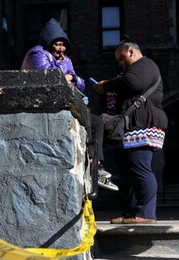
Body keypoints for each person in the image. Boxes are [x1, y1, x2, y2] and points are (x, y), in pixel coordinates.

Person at [21, 18, 118, 192]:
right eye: (58, 44)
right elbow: (48, 77)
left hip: (64, 104)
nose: (61, 49)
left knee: (96, 123)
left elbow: (79, 83)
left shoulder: (66, 59)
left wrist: (70, 77)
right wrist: (66, 76)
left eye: (63, 45)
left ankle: (97, 167)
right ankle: (94, 168)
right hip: (43, 106)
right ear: (49, 43)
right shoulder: (37, 54)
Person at [93, 39, 168, 224]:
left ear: (131, 52)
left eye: (122, 58)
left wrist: (108, 84)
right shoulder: (131, 70)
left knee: (140, 168)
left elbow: (133, 83)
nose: (120, 63)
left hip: (144, 126)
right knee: (129, 172)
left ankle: (146, 213)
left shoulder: (146, 65)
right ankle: (132, 212)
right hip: (133, 127)